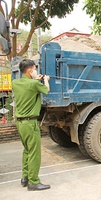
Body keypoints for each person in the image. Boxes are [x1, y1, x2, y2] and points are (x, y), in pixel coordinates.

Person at [12, 59, 51, 191]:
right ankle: (33, 181)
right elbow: (46, 90)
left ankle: (25, 177)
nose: (35, 71)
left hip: (20, 123)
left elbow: (29, 88)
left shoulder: (15, 83)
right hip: (30, 123)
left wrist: (36, 80)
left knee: (27, 150)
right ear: (30, 70)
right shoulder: (34, 84)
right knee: (34, 153)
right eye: (34, 69)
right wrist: (45, 79)